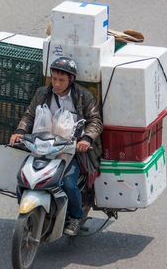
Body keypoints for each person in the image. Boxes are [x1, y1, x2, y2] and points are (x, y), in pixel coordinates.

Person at [10, 56, 103, 236]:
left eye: (61, 80)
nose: (57, 84)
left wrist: (86, 140)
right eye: (54, 79)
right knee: (24, 179)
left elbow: (95, 121)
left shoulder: (84, 96)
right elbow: (29, 115)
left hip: (70, 151)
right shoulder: (42, 93)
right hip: (42, 147)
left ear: (71, 80)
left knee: (68, 182)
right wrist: (20, 132)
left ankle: (76, 218)